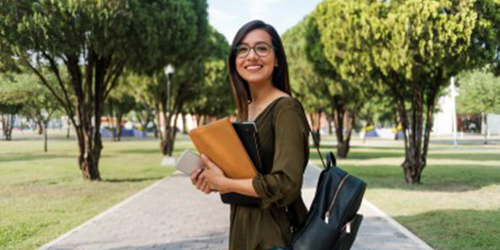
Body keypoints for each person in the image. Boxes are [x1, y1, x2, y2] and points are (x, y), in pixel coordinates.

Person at [190, 20, 310, 250]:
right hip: (244, 230)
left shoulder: (286, 109)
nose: (251, 56)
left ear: (277, 59)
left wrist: (228, 183)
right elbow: (246, 177)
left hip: (274, 235)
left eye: (261, 48)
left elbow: (287, 184)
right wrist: (215, 182)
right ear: (235, 60)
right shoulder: (247, 110)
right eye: (242, 49)